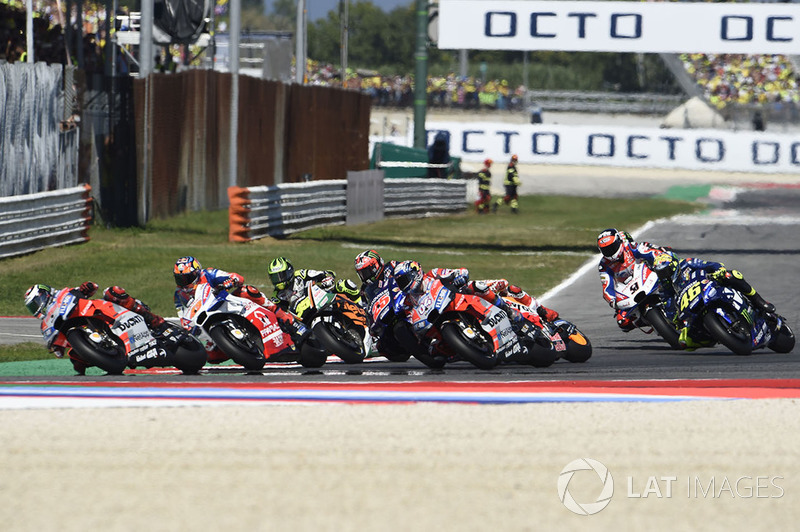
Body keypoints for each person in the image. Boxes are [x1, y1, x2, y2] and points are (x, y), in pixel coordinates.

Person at [23, 282, 169, 374]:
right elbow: (58, 351)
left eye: (36, 302)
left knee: (114, 292)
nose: (37, 307)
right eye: (32, 307)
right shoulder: (45, 324)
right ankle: (109, 355)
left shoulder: (64, 293)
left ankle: (153, 319)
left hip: (100, 314)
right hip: (83, 339)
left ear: (45, 294)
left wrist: (86, 287)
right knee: (77, 365)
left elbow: (91, 288)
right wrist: (57, 347)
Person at [652, 253, 776, 350]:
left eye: (665, 272)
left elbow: (708, 264)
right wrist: (675, 319)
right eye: (660, 273)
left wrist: (718, 269)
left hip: (708, 286)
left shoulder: (687, 263)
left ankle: (758, 300)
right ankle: (712, 335)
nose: (664, 276)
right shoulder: (664, 287)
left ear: (673, 266)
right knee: (685, 341)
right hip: (692, 306)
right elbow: (668, 305)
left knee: (731, 275)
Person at [597, 228, 672, 332]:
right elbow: (607, 288)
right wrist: (613, 302)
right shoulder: (604, 265)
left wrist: (660, 258)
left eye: (612, 247)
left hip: (649, 275)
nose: (610, 252)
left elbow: (649, 252)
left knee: (669, 273)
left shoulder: (629, 247)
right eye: (606, 250)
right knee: (623, 322)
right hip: (629, 291)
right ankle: (651, 321)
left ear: (619, 242)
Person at [173, 256, 266, 314]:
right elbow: (183, 318)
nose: (184, 282)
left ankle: (278, 314)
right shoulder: (179, 294)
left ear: (197, 272)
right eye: (180, 279)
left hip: (224, 304)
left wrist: (231, 281)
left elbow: (238, 277)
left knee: (247, 291)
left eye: (187, 277)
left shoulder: (209, 274)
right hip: (203, 316)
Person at [267, 256, 361, 308]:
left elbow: (327, 273)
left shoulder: (301, 274)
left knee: (346, 285)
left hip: (321, 301)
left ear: (289, 271)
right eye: (275, 277)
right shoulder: (277, 296)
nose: (279, 280)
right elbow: (277, 313)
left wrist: (328, 279)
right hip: (303, 317)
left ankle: (363, 307)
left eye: (281, 276)